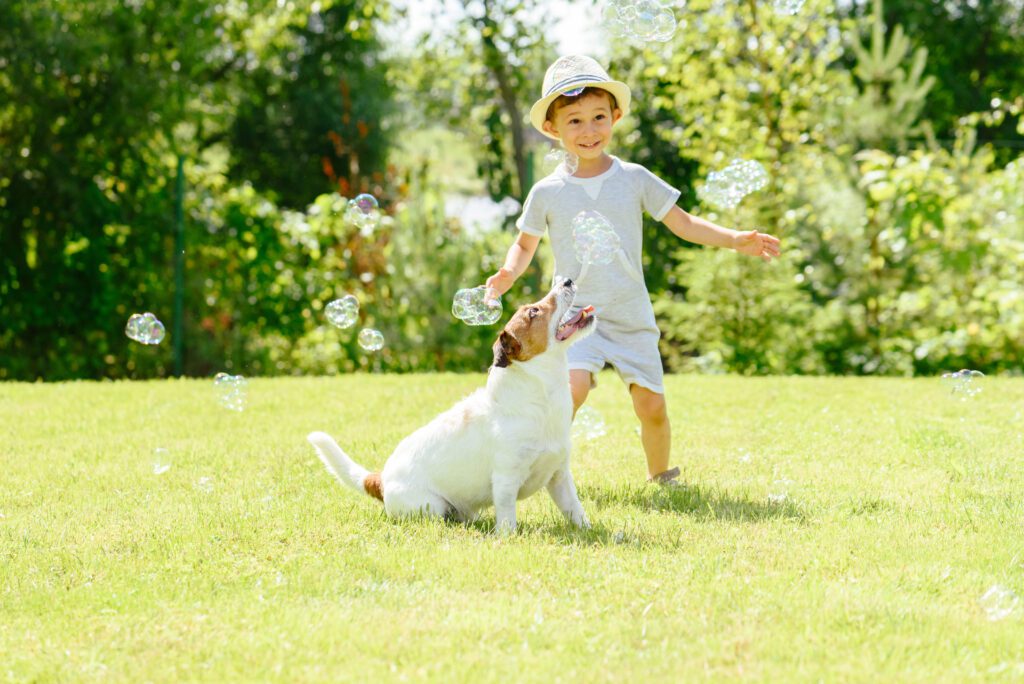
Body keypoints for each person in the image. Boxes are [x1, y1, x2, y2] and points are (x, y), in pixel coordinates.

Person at [485, 55, 781, 485]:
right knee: (572, 393)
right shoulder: (547, 191)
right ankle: (538, 471)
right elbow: (524, 243)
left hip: (629, 313)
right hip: (572, 316)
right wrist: (508, 273)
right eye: (574, 121)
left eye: (598, 117)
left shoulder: (635, 178)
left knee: (651, 406)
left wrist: (735, 238)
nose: (589, 131)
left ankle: (661, 475)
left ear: (616, 116)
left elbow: (684, 223)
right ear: (552, 129)